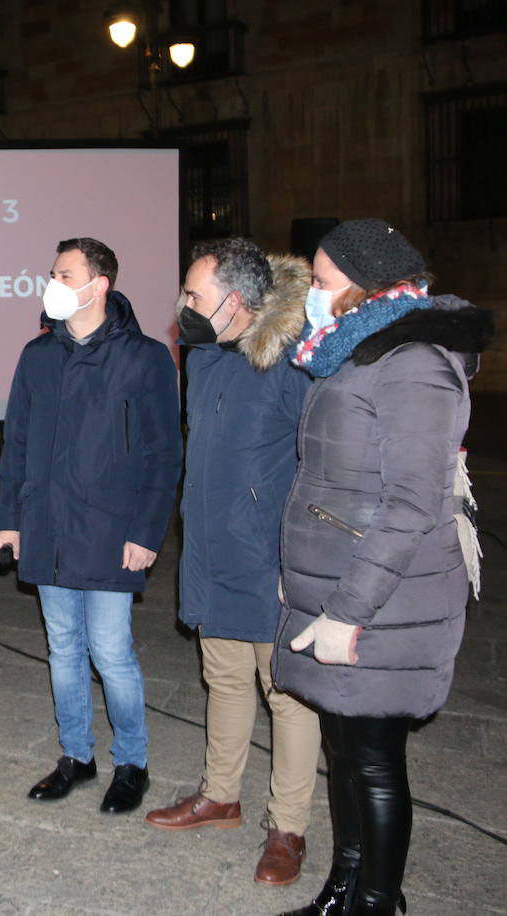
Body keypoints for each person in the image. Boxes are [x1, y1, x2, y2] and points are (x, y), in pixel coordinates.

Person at [272, 219, 492, 916]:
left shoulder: (415, 361)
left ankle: (377, 901)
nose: (311, 292)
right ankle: (343, 887)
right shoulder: (353, 351)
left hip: (384, 600)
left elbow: (411, 503)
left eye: (323, 280)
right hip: (335, 581)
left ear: (366, 283)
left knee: (372, 760)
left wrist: (346, 611)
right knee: (344, 746)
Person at [143, 239, 321, 887]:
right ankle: (220, 795)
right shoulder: (203, 356)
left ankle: (288, 828)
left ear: (237, 304)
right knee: (222, 677)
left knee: (290, 696)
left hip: (273, 560)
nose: (182, 307)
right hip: (212, 552)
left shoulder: (294, 366)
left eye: (194, 296)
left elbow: (318, 470)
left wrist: (299, 561)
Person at [0, 237, 181, 814]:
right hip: (47, 525)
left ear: (98, 285)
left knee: (110, 650)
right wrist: (9, 521)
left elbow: (163, 454)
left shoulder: (145, 357)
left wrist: (147, 533)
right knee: (64, 648)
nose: (52, 281)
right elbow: (16, 443)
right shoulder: (37, 355)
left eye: (64, 273)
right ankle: (76, 755)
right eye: (51, 272)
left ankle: (133, 762)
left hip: (110, 530)